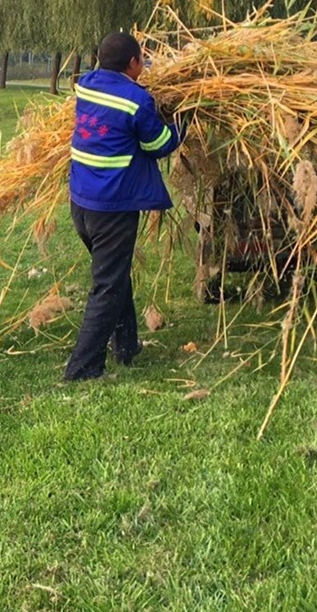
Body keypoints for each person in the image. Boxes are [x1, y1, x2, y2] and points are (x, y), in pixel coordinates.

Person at [63, 32, 183, 381]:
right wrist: (182, 126)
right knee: (107, 287)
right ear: (133, 63)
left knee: (114, 274)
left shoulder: (86, 85)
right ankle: (82, 369)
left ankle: (127, 346)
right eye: (142, 59)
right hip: (111, 208)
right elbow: (158, 144)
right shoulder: (135, 100)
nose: (144, 64)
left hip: (81, 204)